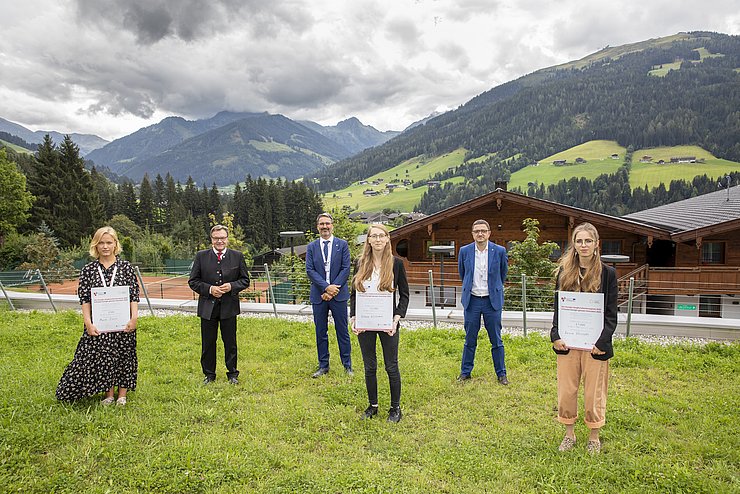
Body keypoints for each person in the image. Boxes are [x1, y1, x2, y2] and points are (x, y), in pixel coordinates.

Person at [551, 222, 617, 454]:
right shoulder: (564, 272)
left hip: (595, 346)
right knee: (567, 391)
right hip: (568, 343)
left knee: (593, 392)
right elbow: (558, 308)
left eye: (588, 240)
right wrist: (555, 334)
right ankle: (569, 434)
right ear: (574, 245)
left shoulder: (608, 274)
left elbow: (611, 313)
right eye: (579, 241)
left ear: (596, 244)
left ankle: (594, 436)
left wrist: (603, 341)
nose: (583, 245)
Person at [56, 226, 139, 405]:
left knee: (125, 354)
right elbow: (84, 298)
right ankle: (108, 394)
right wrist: (88, 322)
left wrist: (134, 317)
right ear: (95, 245)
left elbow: (134, 295)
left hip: (123, 322)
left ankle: (122, 394)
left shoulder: (126, 268)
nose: (105, 246)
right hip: (99, 323)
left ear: (115, 244)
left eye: (109, 242)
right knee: (104, 356)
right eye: (101, 242)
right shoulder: (88, 270)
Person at [350, 224, 410, 423]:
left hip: (388, 323)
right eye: (373, 236)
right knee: (369, 367)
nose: (377, 239)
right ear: (368, 240)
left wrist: (396, 318)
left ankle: (395, 408)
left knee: (391, 366)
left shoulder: (396, 264)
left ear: (387, 239)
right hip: (365, 322)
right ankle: (373, 406)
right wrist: (353, 317)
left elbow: (405, 295)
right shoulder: (360, 263)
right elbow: (353, 294)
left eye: (381, 236)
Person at [188, 225, 250, 385]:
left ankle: (232, 374)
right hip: (208, 308)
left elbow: (245, 280)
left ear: (227, 239)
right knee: (208, 343)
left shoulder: (237, 256)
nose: (219, 241)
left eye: (222, 238)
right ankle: (209, 375)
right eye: (216, 238)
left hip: (229, 307)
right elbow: (193, 281)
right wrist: (209, 289)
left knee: (230, 342)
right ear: (212, 240)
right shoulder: (201, 256)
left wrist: (231, 287)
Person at [457, 219, 509, 384]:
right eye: (477, 231)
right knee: (469, 338)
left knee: (496, 339)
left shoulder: (499, 251)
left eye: (483, 231)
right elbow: (462, 273)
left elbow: (503, 273)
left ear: (489, 233)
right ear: (472, 234)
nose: (480, 234)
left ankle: (501, 374)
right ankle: (465, 372)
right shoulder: (464, 251)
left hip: (491, 301)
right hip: (472, 301)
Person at [305, 213, 353, 377]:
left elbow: (346, 268)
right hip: (319, 295)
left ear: (332, 225)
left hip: (339, 295)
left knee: (342, 331)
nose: (325, 226)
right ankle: (323, 366)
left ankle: (347, 366)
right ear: (317, 227)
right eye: (321, 224)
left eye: (327, 223)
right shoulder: (311, 247)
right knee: (320, 332)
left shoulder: (342, 244)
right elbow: (310, 270)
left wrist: (333, 289)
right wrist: (326, 288)